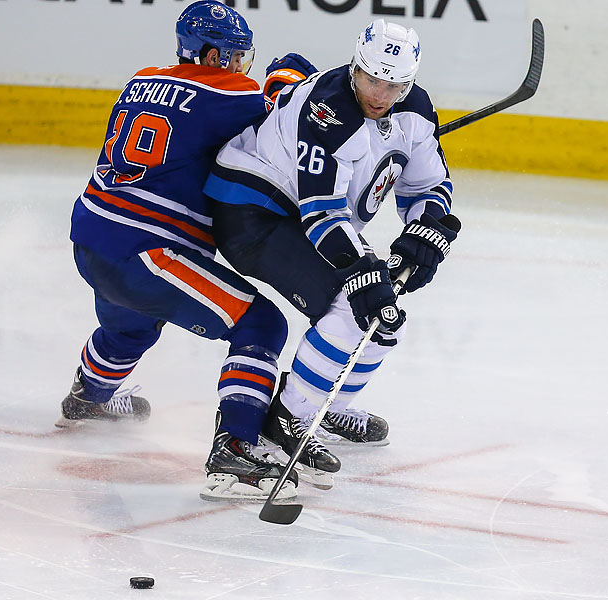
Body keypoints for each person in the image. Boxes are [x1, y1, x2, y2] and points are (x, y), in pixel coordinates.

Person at [58, 1, 307, 502]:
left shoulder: (140, 80)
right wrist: (295, 75)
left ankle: (90, 394)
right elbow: (289, 113)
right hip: (147, 251)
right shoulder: (228, 91)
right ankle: (236, 446)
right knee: (261, 325)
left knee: (128, 326)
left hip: (92, 236)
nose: (242, 67)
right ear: (210, 54)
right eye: (235, 57)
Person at [204, 19, 460, 488]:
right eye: (372, 80)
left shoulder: (416, 110)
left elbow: (430, 185)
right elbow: (321, 213)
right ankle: (283, 418)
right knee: (356, 299)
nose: (382, 95)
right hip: (252, 210)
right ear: (355, 67)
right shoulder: (328, 107)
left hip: (301, 216)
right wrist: (362, 267)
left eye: (396, 84)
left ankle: (328, 405)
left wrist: (426, 229)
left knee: (382, 311)